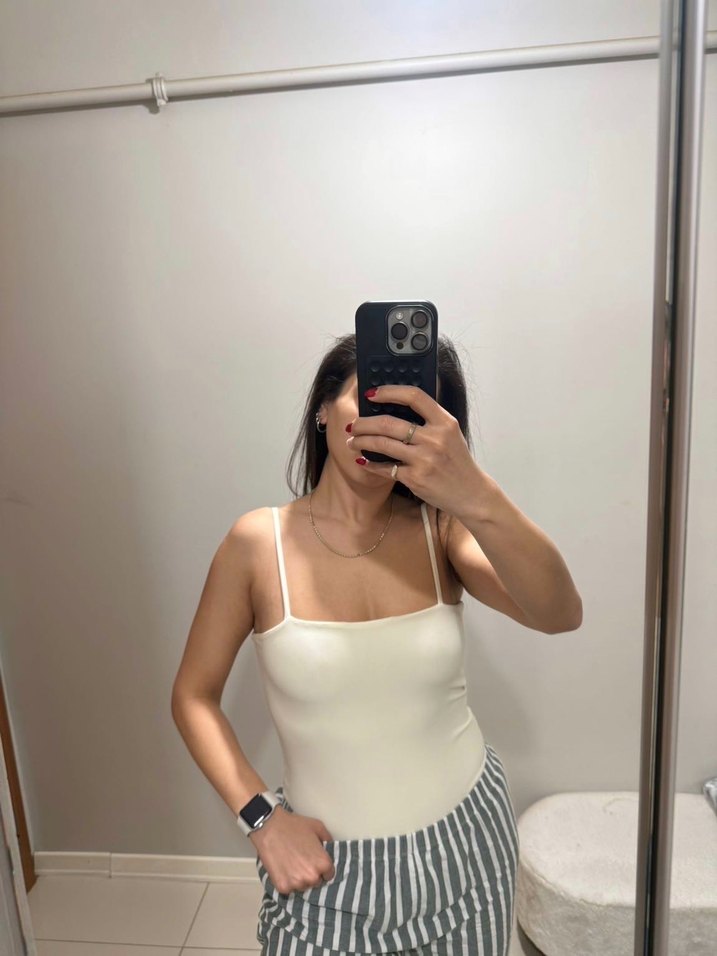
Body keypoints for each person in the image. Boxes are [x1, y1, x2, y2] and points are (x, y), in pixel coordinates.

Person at [171, 333, 583, 955]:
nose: (386, 426)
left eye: (411, 415)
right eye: (370, 399)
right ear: (323, 409)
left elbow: (559, 613)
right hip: (327, 871)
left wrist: (473, 491)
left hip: (467, 850)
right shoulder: (257, 546)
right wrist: (262, 820)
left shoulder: (441, 532)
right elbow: (192, 697)